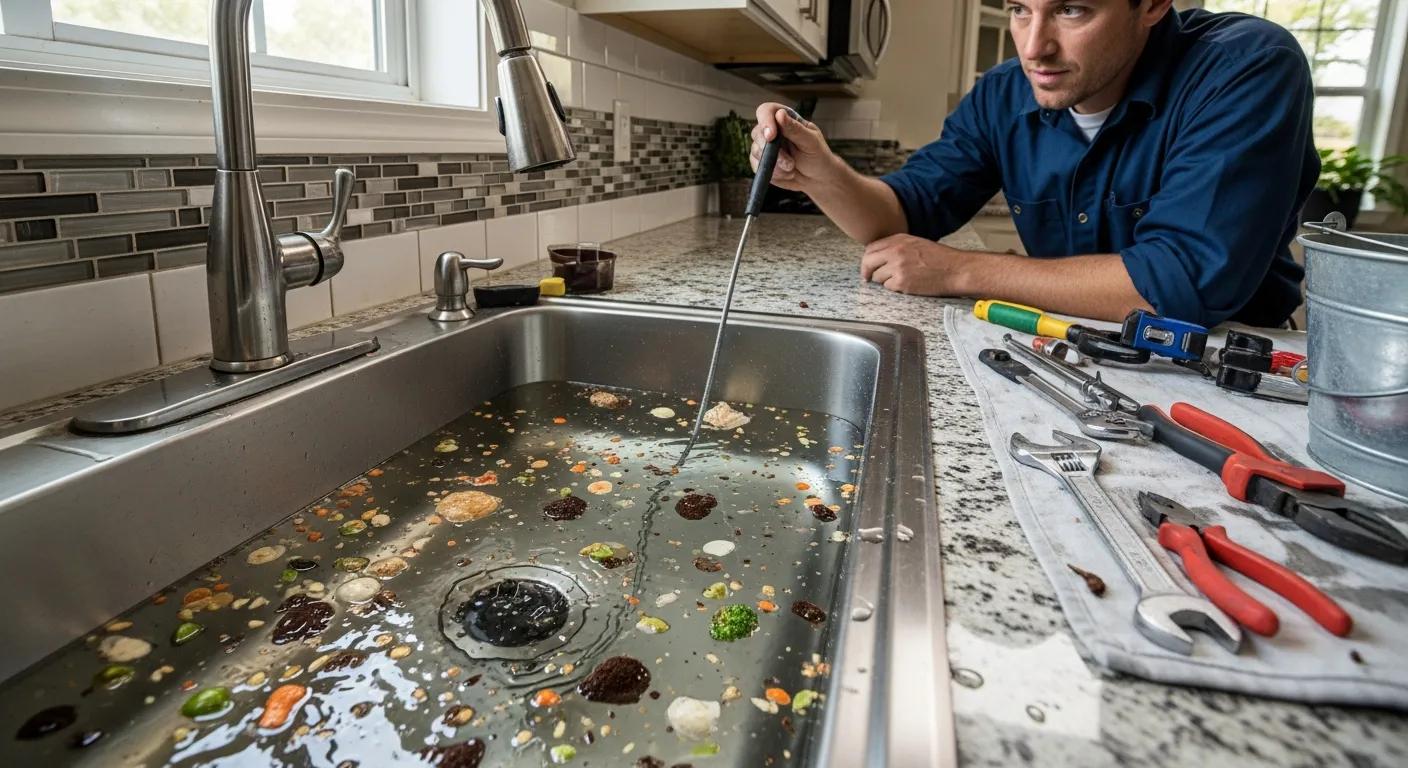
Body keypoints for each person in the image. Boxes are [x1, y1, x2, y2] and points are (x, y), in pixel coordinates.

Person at [750, 0, 1318, 327]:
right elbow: (904, 213)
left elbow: (1180, 285)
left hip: (1230, 365)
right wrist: (820, 173)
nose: (1032, 47)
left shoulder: (1246, 67)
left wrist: (960, 270)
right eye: (1021, 9)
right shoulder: (1003, 94)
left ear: (1150, 4)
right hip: (1068, 343)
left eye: (1071, 10)